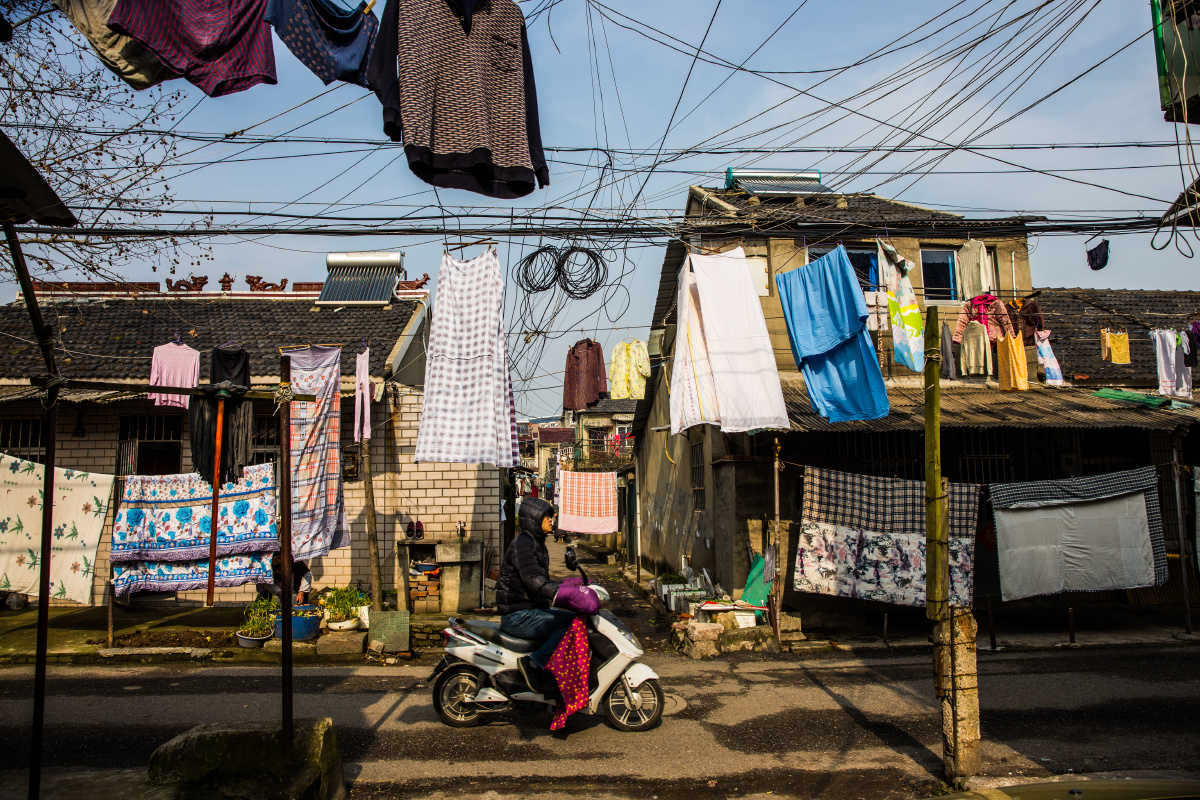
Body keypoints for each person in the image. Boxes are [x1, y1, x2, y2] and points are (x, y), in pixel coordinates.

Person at [496, 496, 574, 691]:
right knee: (570, 624)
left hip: (530, 610)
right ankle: (533, 664)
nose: (552, 520)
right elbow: (533, 580)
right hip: (517, 615)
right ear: (534, 517)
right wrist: (561, 593)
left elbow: (543, 580)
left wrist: (572, 587)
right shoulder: (523, 543)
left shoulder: (537, 543)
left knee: (574, 618)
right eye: (547, 516)